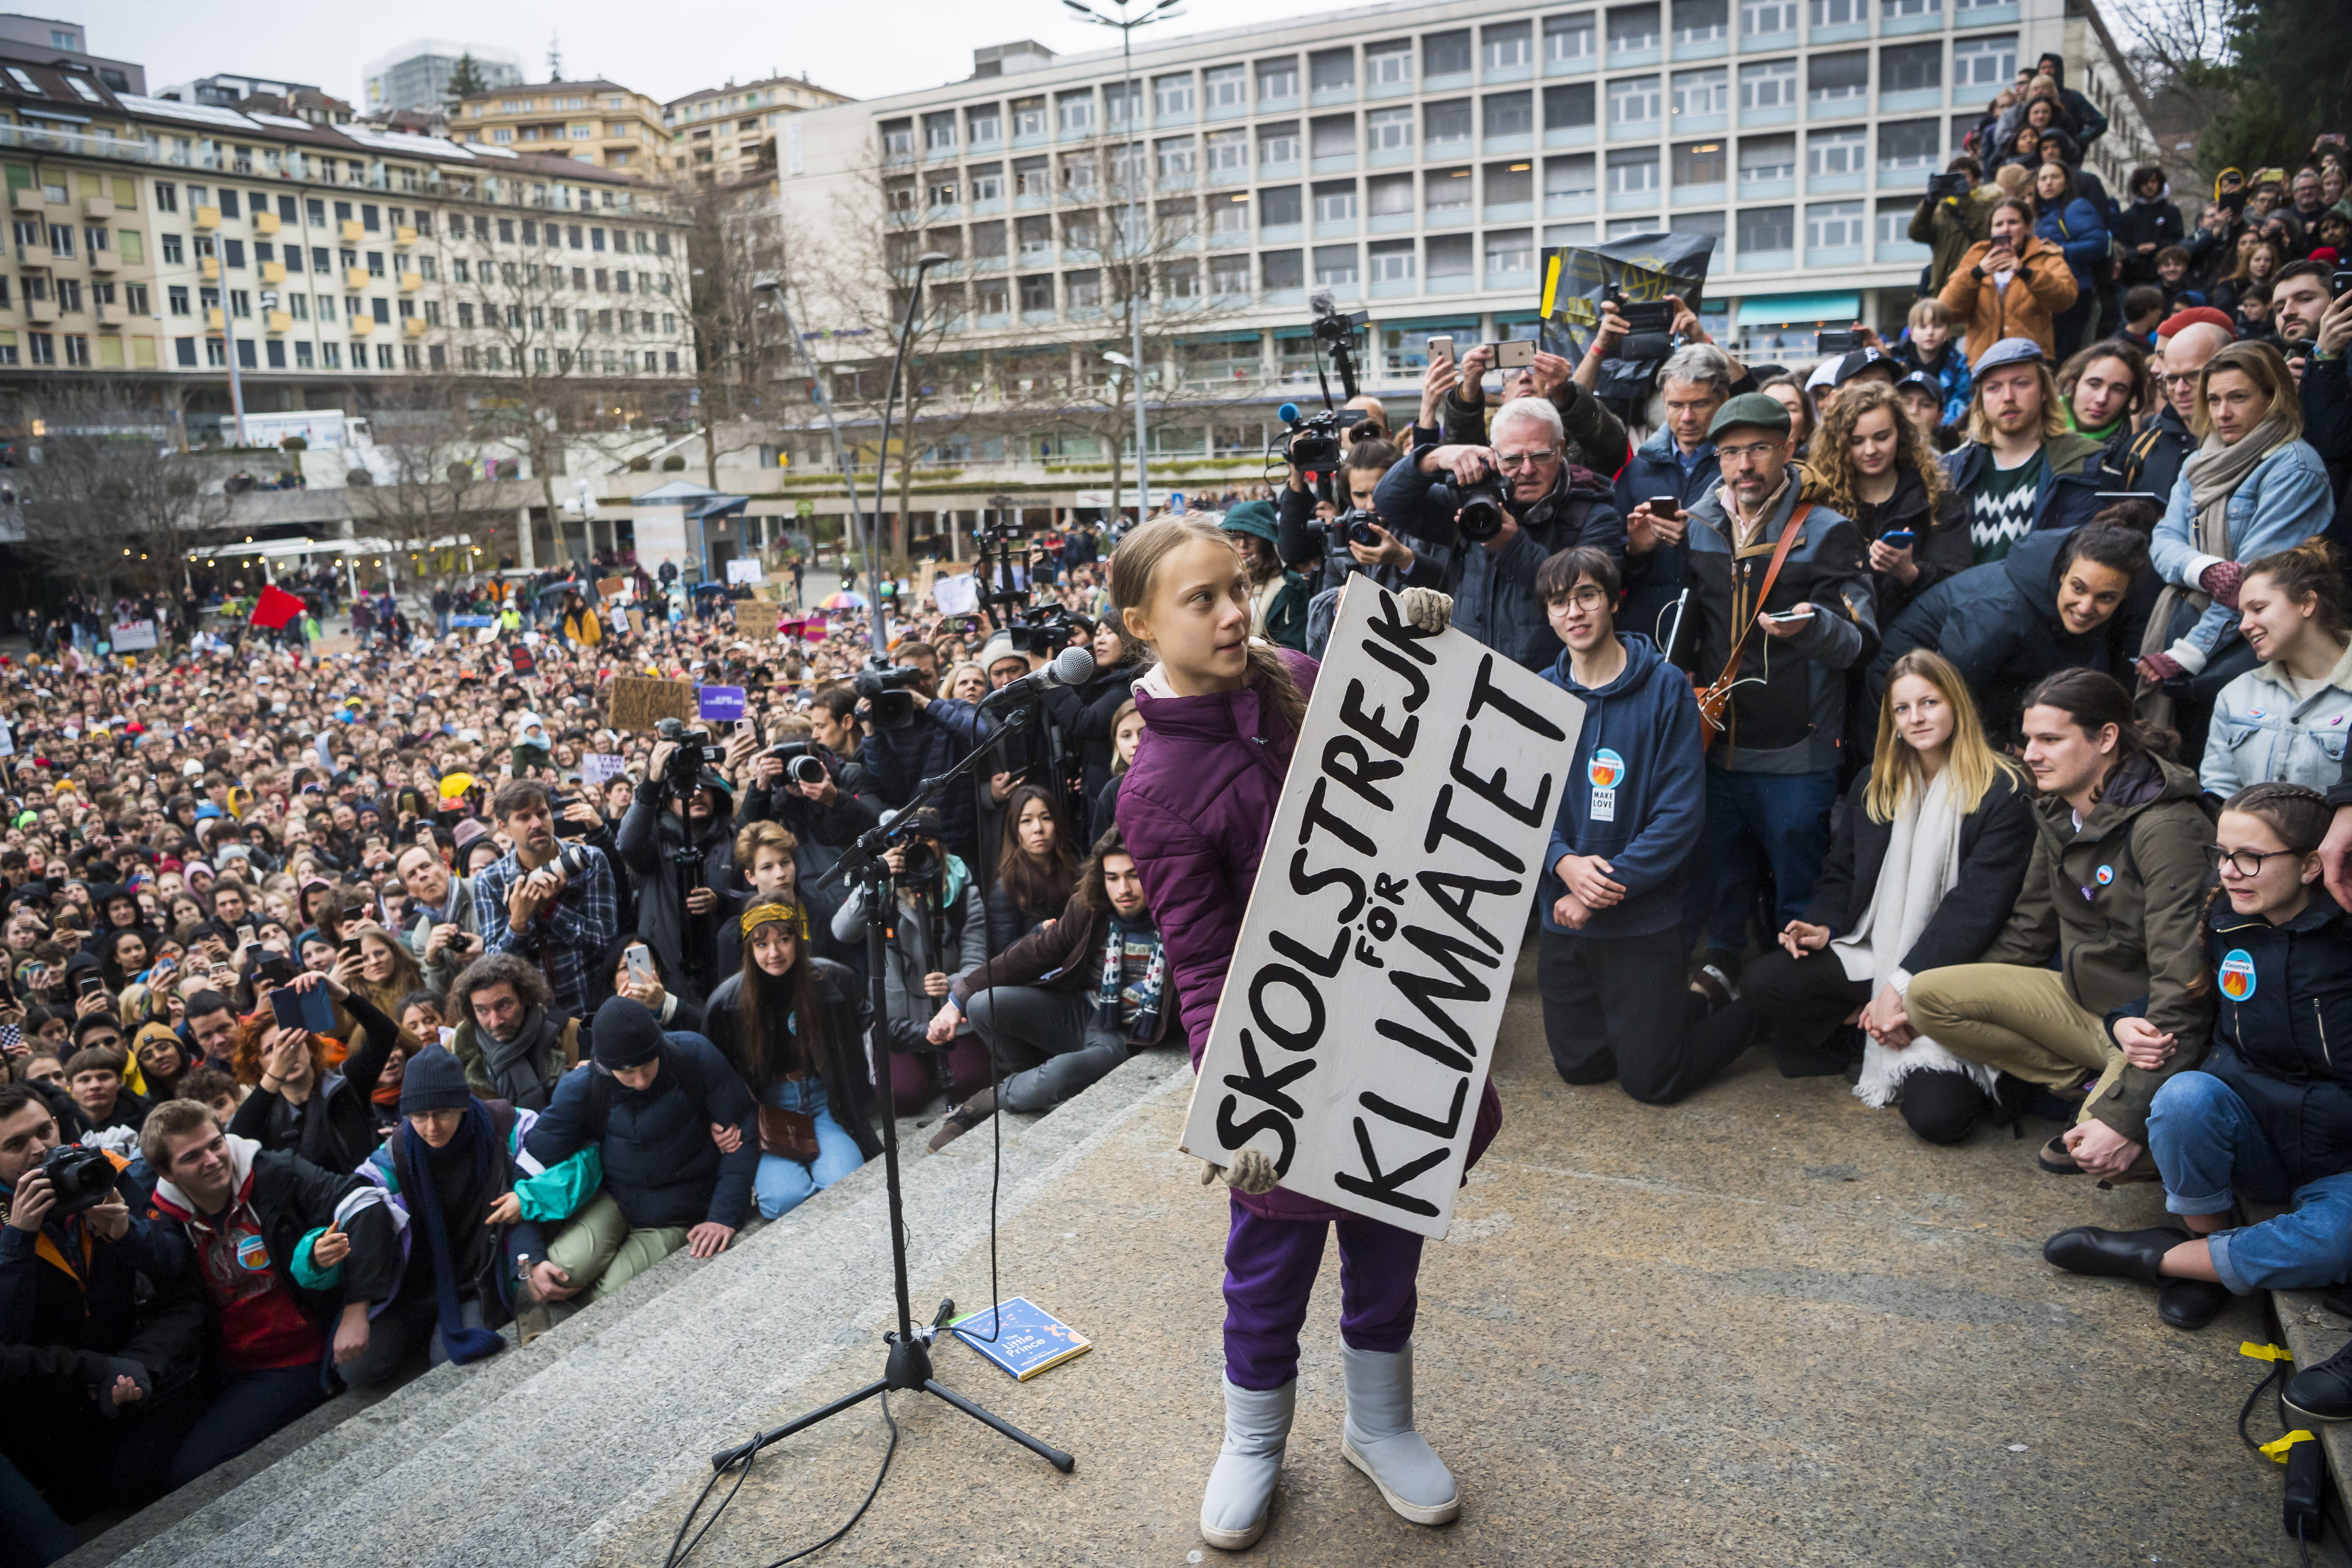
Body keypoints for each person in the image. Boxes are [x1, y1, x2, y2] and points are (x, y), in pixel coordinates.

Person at [1108, 517, 1478, 1546]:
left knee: (1387, 1225)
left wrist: (1424, 652)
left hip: (1390, 1009)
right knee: (1270, 1256)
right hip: (1281, 1050)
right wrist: (1234, 1101)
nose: (1234, 612)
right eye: (1201, 598)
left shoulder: (1305, 672)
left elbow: (1429, 768)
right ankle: (1255, 1439)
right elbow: (1201, 956)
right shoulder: (1152, 789)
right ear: (1141, 623)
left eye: (1239, 587)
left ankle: (1380, 1423)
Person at [2045, 784, 2352, 1334]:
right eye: (2223, 854)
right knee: (2184, 1099)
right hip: (2257, 1139)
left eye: (2251, 857)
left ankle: (2163, 1260)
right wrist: (2124, 1019)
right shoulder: (2223, 922)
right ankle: (2204, 1242)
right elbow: (2185, 996)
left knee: (2339, 1242)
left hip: (2342, 1158)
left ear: (2311, 865)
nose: (2230, 871)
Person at [1906, 670, 2216, 1165]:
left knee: (2089, 1154)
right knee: (1925, 995)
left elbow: (2183, 984)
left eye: (2050, 739)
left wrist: (2126, 1113)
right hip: (2079, 1002)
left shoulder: (2167, 827)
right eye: (2029, 738)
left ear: (2107, 737)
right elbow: (2029, 930)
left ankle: (2119, 1103)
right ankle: (2085, 1084)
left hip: (2146, 1027)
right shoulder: (2056, 809)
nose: (2030, 754)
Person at [1673, 392, 1874, 995]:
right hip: (1719, 743)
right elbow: (1687, 627)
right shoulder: (1699, 523)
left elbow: (1863, 643)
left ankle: (1794, 993)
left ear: (1787, 450)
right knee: (1725, 876)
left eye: (1759, 448)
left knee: (1800, 887)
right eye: (1731, 452)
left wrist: (1814, 628)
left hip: (1798, 748)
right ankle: (1726, 968)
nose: (1744, 465)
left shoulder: (1829, 531)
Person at [1529, 547, 1720, 1101]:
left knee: (1653, 1083)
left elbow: (1680, 815)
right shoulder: (1539, 693)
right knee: (1581, 1069)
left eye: (1587, 596)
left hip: (1642, 918)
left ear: (1614, 601)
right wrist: (1562, 863)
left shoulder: (1666, 688)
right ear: (1548, 615)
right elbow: (1524, 804)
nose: (1575, 613)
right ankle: (1657, 1016)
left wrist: (1597, 890)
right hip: (1565, 912)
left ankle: (1742, 1010)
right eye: (1560, 602)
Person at [141, 1099, 398, 1490]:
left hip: (295, 1355)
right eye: (192, 1157)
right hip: (221, 1367)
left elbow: (365, 1201)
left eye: (216, 1144)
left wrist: (355, 1310)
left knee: (193, 1474)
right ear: (165, 1172)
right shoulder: (160, 1220)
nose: (212, 1160)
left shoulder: (275, 1171)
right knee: (135, 1474)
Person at [927, 826, 1174, 1151]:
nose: (1123, 888)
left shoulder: (1176, 919)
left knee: (1061, 1074)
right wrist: (958, 998)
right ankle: (1025, 1079)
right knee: (982, 1005)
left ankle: (988, 1101)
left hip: (1128, 1032)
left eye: (1133, 876)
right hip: (1083, 1007)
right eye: (1112, 878)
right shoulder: (1090, 908)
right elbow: (1034, 953)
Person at [2139, 341, 2338, 732]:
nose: (2222, 413)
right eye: (2213, 400)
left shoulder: (2294, 468)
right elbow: (2163, 541)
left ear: (2274, 398)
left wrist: (2191, 653)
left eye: (2238, 398)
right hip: (2180, 625)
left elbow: (2254, 587)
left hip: (2245, 650)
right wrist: (2206, 570)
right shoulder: (2199, 462)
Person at [336, 1049, 567, 1383]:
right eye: (419, 1116)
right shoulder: (395, 1156)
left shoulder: (508, 1128)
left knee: (452, 1363)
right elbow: (356, 1207)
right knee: (357, 1370)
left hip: (478, 1277)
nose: (431, 1128)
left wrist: (528, 1268)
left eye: (442, 1113)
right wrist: (356, 1306)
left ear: (462, 1103)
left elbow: (541, 1187)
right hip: (414, 1285)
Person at [521, 996, 758, 1305]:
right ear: (604, 1066)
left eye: (648, 1066)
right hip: (615, 1199)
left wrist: (724, 1215)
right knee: (564, 1270)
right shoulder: (581, 1088)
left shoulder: (694, 1056)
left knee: (613, 1293)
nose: (642, 1081)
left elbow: (743, 1129)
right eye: (628, 1072)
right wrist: (533, 1257)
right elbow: (530, 1166)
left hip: (680, 1210)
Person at [1376, 395, 1627, 669]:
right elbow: (1389, 502)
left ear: (1561, 449)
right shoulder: (1473, 505)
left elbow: (1594, 598)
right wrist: (1432, 457)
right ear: (1493, 454)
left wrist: (1513, 547)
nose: (1528, 470)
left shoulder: (1596, 515)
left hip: (1552, 685)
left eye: (1541, 455)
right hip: (1469, 678)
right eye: (1513, 459)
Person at [1871, 518, 2151, 741]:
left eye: (2106, 598)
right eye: (2078, 588)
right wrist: (2004, 748)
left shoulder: (2082, 610)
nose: (2087, 607)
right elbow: (1949, 696)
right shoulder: (2001, 612)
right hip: (1905, 708)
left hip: (1979, 702)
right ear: (2063, 573)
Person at [702, 901, 878, 1220]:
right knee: (783, 1200)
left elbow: (875, 1028)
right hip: (770, 1110)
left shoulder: (832, 980)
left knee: (846, 1183)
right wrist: (720, 1122)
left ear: (798, 939)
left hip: (825, 1103)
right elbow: (712, 1073)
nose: (775, 953)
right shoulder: (726, 1003)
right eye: (762, 944)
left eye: (784, 939)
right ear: (749, 949)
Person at [828, 808, 989, 1116]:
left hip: (950, 1015)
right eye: (907, 841)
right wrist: (876, 880)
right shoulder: (884, 891)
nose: (916, 847)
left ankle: (943, 1066)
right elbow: (842, 932)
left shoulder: (963, 891)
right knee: (900, 1098)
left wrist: (954, 983)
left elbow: (976, 960)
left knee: (973, 1081)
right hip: (899, 1021)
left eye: (925, 840)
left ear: (941, 846)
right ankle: (923, 1070)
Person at [1805, 383, 1969, 628]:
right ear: (1840, 444)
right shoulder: (1823, 502)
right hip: (1846, 645)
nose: (1871, 450)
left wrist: (1910, 573)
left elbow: (1960, 584)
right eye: (1857, 441)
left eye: (1882, 437)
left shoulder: (1936, 498)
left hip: (1916, 641)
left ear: (1901, 434)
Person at [2200, 540, 2352, 796]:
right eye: (2242, 614)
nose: (2244, 625)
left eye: (2258, 609)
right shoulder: (2236, 695)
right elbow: (2219, 792)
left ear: (2307, 603)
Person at [1938, 338, 2108, 566]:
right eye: (1994, 388)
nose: (2008, 397)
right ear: (1981, 400)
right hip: (1958, 598)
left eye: (2021, 383)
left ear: (2044, 391)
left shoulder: (2081, 462)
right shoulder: (1952, 466)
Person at [1614, 341, 1736, 651]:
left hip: (1718, 630)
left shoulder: (1739, 465)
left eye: (1699, 404)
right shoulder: (1639, 469)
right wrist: (1634, 550)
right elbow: (1611, 569)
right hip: (1648, 631)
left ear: (1724, 400)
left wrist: (1697, 534)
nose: (1686, 418)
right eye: (1676, 405)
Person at [471, 780, 618, 1028]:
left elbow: (605, 941)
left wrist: (551, 910)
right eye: (524, 817)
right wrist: (518, 922)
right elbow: (496, 971)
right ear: (504, 827)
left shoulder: (588, 860)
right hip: (533, 1022)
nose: (537, 824)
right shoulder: (490, 881)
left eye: (542, 813)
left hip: (593, 1007)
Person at [226, 970, 400, 1178]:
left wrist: (338, 992)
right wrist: (276, 1074)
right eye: (271, 1051)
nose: (288, 1053)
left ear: (309, 1046)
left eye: (294, 1041)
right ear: (258, 1065)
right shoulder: (263, 1112)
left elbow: (385, 1032)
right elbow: (236, 1140)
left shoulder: (347, 1083)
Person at [2104, 313, 2235, 503]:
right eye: (2172, 379)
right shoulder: (2142, 445)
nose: (2181, 389)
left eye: (2194, 376)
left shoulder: (2252, 446)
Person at [1938, 198, 2080, 363]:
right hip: (1983, 362)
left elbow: (2065, 298)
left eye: (2013, 222)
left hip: (2030, 361)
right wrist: (1977, 273)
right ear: (1991, 231)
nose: (2005, 229)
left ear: (2028, 227)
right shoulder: (1976, 257)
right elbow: (1947, 310)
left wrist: (2025, 272)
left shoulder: (2045, 256)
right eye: (1998, 225)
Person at [446, 951, 580, 1111]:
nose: (495, 1022)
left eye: (504, 1006)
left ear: (524, 997)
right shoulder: (456, 1051)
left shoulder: (570, 1033)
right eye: (482, 1011)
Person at [987, 783, 1077, 954]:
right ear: (1015, 830)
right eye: (1027, 821)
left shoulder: (1074, 870)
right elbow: (1004, 954)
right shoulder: (1006, 886)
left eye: (1046, 818)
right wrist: (1040, 932)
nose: (1038, 829)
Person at [1219, 501, 1312, 652]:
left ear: (1267, 540)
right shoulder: (1220, 581)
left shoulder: (1289, 586)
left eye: (1252, 535)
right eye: (1235, 535)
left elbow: (1293, 652)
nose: (1243, 544)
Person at [395, 840, 482, 999]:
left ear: (444, 868)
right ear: (409, 891)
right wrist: (433, 961)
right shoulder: (422, 936)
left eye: (425, 866)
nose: (422, 875)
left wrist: (488, 949)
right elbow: (441, 998)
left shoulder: (483, 890)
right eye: (412, 875)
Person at [1909, 156, 2001, 296]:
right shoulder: (1941, 210)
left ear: (1977, 181)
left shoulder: (1989, 203)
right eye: (1952, 177)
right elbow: (1916, 233)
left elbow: (1986, 235)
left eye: (1964, 177)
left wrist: (1966, 201)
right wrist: (1929, 204)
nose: (1957, 182)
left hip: (1978, 284)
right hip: (1944, 285)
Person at [1892, 298, 1973, 430]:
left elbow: (1960, 402)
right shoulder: (1896, 362)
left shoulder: (1959, 365)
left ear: (1949, 332)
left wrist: (1940, 430)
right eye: (1923, 327)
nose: (1930, 333)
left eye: (1937, 326)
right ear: (1912, 334)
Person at [2059, 340, 2151, 446]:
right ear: (2072, 386)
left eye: (2118, 390)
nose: (2102, 399)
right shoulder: (2039, 426)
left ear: (2130, 398)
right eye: (2094, 385)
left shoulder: (2130, 449)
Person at [2116, 166, 2186, 286]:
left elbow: (2178, 241)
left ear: (2160, 183)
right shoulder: (2128, 216)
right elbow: (2121, 247)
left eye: (2153, 181)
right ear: (2138, 186)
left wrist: (2157, 246)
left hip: (2165, 276)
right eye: (2144, 183)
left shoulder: (2171, 211)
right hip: (2135, 278)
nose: (2149, 186)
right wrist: (2137, 251)